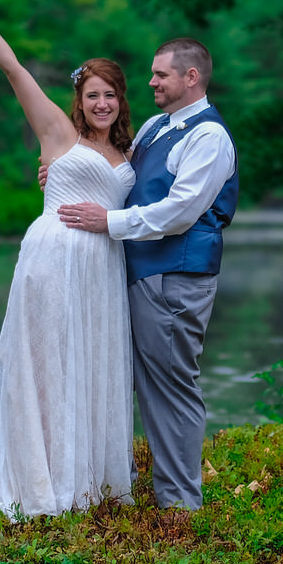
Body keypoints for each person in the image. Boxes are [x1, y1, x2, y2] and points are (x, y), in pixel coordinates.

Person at [0, 0, 134, 515]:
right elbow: (13, 68)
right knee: (47, 363)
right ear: (80, 100)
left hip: (101, 269)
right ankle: (40, 479)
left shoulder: (129, 151)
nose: (101, 103)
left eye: (110, 94)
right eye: (92, 94)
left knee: (89, 364)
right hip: (54, 260)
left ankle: (88, 476)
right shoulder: (57, 133)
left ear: (121, 102)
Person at [58, 39, 238, 511]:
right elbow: (114, 169)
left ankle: (180, 506)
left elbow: (180, 212)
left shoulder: (209, 137)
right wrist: (63, 173)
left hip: (177, 278)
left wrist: (108, 223)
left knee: (172, 384)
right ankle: (125, 490)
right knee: (130, 379)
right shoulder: (159, 127)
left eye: (161, 74)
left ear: (191, 77)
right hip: (139, 273)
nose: (152, 82)